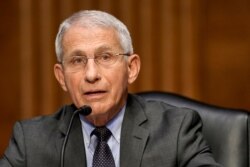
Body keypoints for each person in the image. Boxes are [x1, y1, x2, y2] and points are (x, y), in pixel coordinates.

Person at [0, 10, 222, 167]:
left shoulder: (175, 130)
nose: (91, 74)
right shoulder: (31, 141)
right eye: (77, 61)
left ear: (131, 68)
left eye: (105, 57)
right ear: (61, 76)